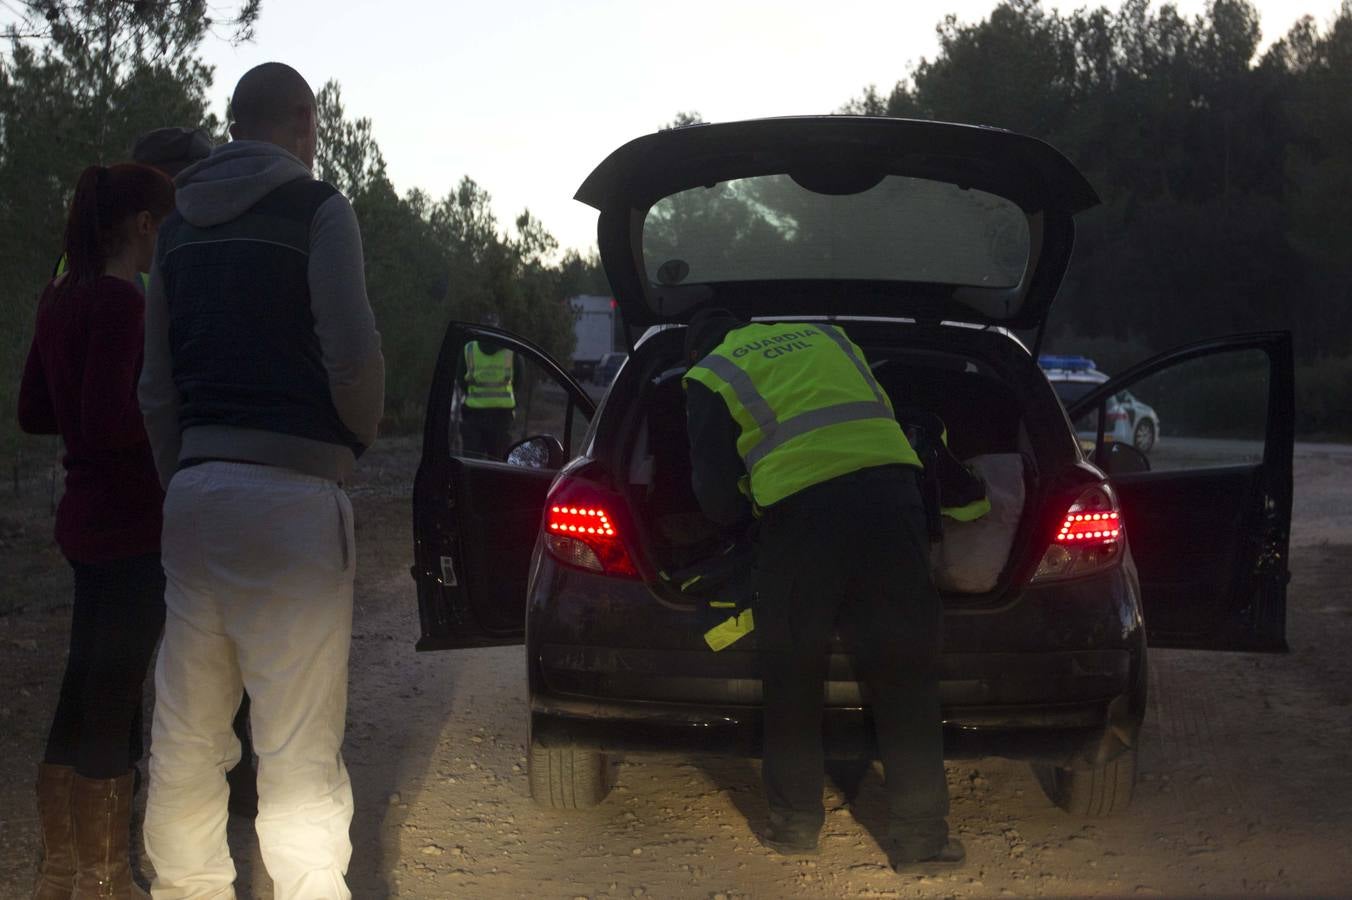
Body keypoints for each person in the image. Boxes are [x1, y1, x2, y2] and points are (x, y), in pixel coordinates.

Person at [138, 62, 384, 898]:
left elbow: (156, 385)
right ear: (307, 124)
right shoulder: (320, 210)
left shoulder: (172, 231)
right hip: (294, 495)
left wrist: (187, 473)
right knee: (298, 743)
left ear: (234, 122)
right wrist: (349, 438)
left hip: (197, 493)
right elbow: (352, 351)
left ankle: (184, 888)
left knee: (187, 730)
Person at [682, 309, 966, 870]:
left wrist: (751, 509)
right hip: (894, 497)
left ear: (699, 351)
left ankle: (793, 827)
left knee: (794, 667)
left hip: (804, 514)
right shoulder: (832, 337)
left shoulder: (711, 373)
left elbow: (715, 499)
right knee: (905, 669)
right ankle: (921, 842)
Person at [19, 162, 175, 898]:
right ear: (143, 224)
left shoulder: (62, 299)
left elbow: (34, 411)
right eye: (162, 224)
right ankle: (106, 878)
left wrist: (82, 420)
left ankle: (59, 869)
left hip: (83, 517)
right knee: (115, 688)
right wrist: (168, 434)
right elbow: (116, 418)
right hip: (131, 520)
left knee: (84, 682)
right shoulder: (123, 302)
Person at [457, 333, 519, 459]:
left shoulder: (469, 349)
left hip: (473, 416)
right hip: (502, 418)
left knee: (471, 465)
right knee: (498, 466)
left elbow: (460, 379)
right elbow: (519, 381)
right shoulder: (511, 351)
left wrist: (475, 394)